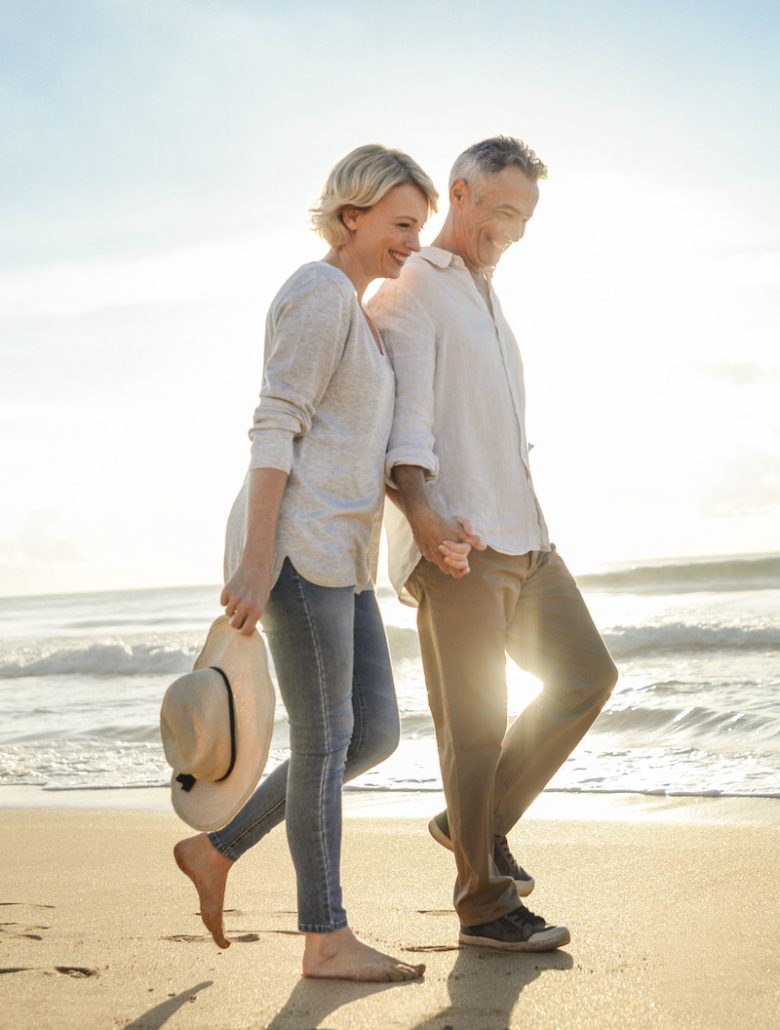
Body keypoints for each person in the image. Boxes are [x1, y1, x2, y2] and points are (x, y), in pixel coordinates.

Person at [174, 144, 442, 982]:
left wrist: (425, 521)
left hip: (341, 555)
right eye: (402, 224)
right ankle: (324, 939)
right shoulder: (318, 292)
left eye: (419, 228)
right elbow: (274, 422)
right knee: (326, 743)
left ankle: (217, 849)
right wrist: (258, 560)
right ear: (351, 215)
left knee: (374, 734)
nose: (411, 242)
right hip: (294, 550)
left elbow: (354, 446)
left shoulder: (359, 311)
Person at [368, 136, 619, 953]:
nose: (511, 229)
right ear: (462, 192)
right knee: (473, 726)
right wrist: (425, 515)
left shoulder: (487, 293)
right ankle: (482, 906)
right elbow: (404, 422)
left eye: (525, 217)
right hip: (461, 542)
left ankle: (471, 823)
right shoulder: (414, 288)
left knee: (588, 676)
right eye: (502, 210)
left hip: (527, 534)